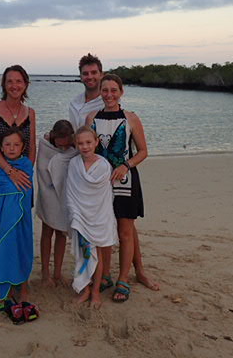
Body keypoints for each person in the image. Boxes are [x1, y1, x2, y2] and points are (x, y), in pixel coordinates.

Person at [85, 73, 159, 303]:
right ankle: (105, 275)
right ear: (100, 92)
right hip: (100, 183)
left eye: (113, 90)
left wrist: (126, 165)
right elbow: (86, 148)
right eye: (105, 90)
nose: (109, 95)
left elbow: (143, 152)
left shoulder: (131, 118)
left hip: (125, 181)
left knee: (125, 232)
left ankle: (124, 279)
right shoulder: (92, 117)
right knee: (103, 231)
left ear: (121, 92)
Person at [0, 65, 37, 299]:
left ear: (26, 84)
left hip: (22, 180)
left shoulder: (30, 112)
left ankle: (17, 275)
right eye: (10, 81)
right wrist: (10, 172)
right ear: (3, 84)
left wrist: (25, 173)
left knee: (19, 228)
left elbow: (31, 148)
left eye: (19, 81)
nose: (14, 86)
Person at [65, 126, 117, 309]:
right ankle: (85, 289)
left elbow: (103, 196)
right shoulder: (74, 164)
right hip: (80, 216)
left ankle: (95, 292)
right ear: (75, 144)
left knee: (98, 256)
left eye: (88, 142)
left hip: (99, 217)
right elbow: (71, 191)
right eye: (80, 143)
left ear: (96, 142)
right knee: (84, 254)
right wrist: (75, 213)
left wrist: (96, 214)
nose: (85, 146)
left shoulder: (104, 165)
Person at [0, 127, 35, 309]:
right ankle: (5, 292)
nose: (12, 148)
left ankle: (23, 290)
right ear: (0, 147)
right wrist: (11, 183)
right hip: (2, 221)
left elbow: (25, 190)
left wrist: (12, 185)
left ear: (23, 147)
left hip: (21, 220)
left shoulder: (26, 166)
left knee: (22, 249)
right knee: (4, 249)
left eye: (16, 144)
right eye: (7, 144)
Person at [36, 119, 78, 287]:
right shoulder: (45, 145)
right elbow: (41, 169)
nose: (63, 147)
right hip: (47, 193)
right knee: (47, 231)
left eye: (66, 143)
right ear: (53, 135)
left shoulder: (74, 149)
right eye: (60, 143)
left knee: (61, 233)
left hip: (65, 195)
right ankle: (45, 272)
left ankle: (58, 272)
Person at [69, 53, 104, 129]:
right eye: (85, 74)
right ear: (81, 77)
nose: (90, 77)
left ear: (101, 75)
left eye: (94, 72)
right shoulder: (74, 103)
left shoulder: (107, 103)